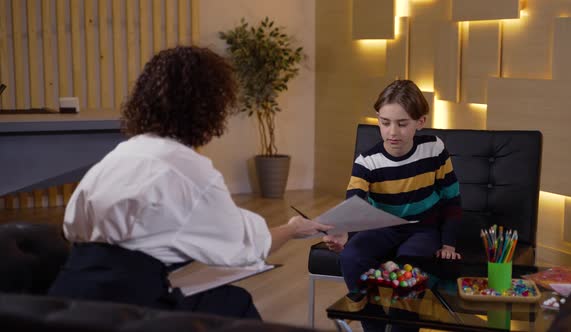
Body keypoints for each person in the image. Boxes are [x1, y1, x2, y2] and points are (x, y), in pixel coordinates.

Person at [48, 46, 331, 320]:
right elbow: (248, 246)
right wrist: (292, 229)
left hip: (67, 295)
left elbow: (77, 229)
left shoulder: (119, 156)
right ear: (211, 109)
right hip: (129, 306)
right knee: (235, 303)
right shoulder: (189, 170)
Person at [323, 80, 462, 331]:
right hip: (381, 226)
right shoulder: (367, 161)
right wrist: (343, 232)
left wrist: (448, 243)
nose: (392, 132)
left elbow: (451, 198)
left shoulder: (435, 148)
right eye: (385, 123)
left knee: (409, 266)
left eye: (402, 123)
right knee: (352, 256)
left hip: (423, 228)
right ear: (378, 118)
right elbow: (355, 202)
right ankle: (373, 324)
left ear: (420, 121)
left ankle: (402, 328)